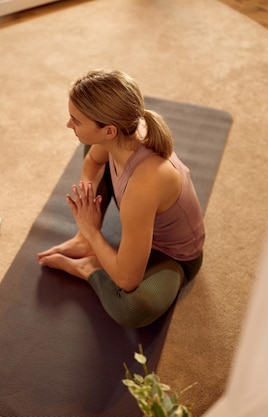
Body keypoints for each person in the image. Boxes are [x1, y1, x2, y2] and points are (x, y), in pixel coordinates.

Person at [37, 69, 204, 328]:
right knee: (87, 143)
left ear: (110, 131)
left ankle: (88, 267)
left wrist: (91, 230)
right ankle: (84, 244)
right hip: (138, 214)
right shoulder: (126, 130)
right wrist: (87, 198)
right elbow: (93, 161)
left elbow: (128, 281)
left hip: (175, 258)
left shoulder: (146, 183)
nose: (69, 124)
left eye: (75, 120)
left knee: (134, 309)